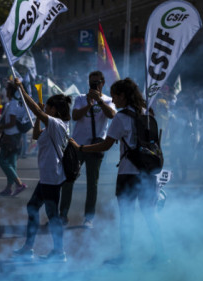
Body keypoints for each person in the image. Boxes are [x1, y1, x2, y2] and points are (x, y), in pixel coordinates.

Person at [69, 78, 165, 263]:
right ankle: (161, 254)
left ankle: (125, 257)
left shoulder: (121, 118)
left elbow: (105, 145)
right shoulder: (147, 113)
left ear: (123, 96)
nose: (113, 101)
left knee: (127, 217)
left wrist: (81, 148)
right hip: (148, 173)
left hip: (128, 173)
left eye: (115, 96)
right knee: (150, 215)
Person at [12, 78, 72, 262]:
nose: (45, 108)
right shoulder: (52, 126)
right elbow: (37, 135)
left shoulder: (58, 124)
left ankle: (59, 252)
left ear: (55, 110)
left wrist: (21, 88)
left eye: (48, 106)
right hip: (48, 176)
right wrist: (38, 117)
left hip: (51, 177)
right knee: (33, 207)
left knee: (52, 215)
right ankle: (29, 247)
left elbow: (37, 110)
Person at [59, 71, 116, 228]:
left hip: (96, 146)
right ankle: (62, 215)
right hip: (77, 145)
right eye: (91, 82)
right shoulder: (80, 98)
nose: (94, 85)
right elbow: (75, 116)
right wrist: (89, 104)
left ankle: (88, 218)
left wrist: (99, 101)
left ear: (102, 83)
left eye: (97, 82)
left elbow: (112, 115)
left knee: (93, 184)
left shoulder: (108, 100)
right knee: (68, 179)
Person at [0, 82, 27, 196]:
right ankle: (8, 188)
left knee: (3, 161)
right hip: (16, 136)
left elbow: (11, 123)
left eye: (7, 90)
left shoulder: (12, 104)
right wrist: (1, 129)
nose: (5, 92)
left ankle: (19, 184)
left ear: (10, 92)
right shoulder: (18, 103)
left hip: (10, 138)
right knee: (12, 163)